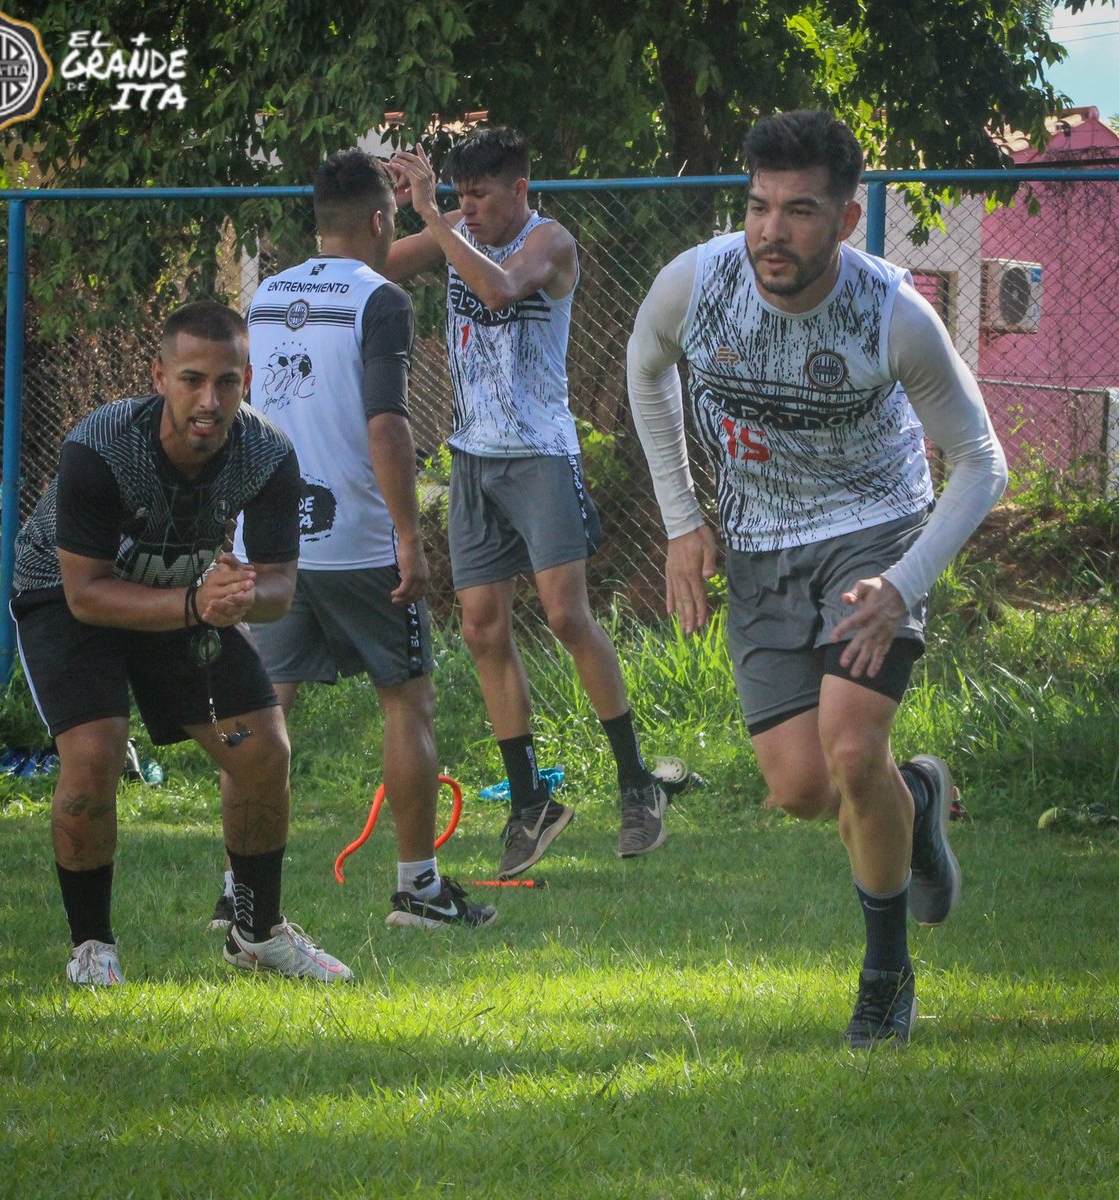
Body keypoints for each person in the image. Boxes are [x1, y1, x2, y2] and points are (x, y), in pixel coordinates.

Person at [626, 109, 1008, 1048]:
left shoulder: (893, 316)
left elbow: (982, 461)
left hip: (871, 541)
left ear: (844, 220)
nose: (771, 232)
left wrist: (904, 581)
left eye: (799, 212)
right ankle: (917, 802)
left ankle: (885, 979)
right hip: (758, 548)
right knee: (801, 788)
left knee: (847, 749)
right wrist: (683, 523)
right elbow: (644, 368)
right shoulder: (698, 282)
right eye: (758, 207)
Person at [11, 301, 354, 986]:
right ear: (159, 375)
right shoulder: (101, 446)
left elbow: (282, 585)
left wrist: (242, 594)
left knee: (263, 747)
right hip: (67, 595)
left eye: (226, 382)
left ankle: (257, 935)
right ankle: (92, 949)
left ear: (248, 379)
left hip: (183, 595)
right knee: (96, 755)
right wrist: (197, 603)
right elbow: (86, 593)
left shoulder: (269, 452)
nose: (209, 399)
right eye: (192, 379)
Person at [209, 148, 495, 930]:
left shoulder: (267, 297)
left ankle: (239, 892)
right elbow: (387, 425)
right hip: (359, 540)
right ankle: (419, 889)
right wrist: (410, 533)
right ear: (378, 219)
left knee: (264, 715)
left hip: (273, 543)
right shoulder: (381, 302)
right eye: (394, 219)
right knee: (408, 701)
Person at [386, 127, 670, 878]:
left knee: (567, 615)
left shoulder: (551, 243)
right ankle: (529, 800)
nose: (467, 209)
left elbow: (500, 288)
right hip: (474, 455)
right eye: (459, 195)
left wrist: (433, 219)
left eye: (480, 195)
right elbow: (374, 265)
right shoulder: (454, 233)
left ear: (519, 189)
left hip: (542, 453)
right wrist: (392, 211)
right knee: (481, 629)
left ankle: (637, 783)